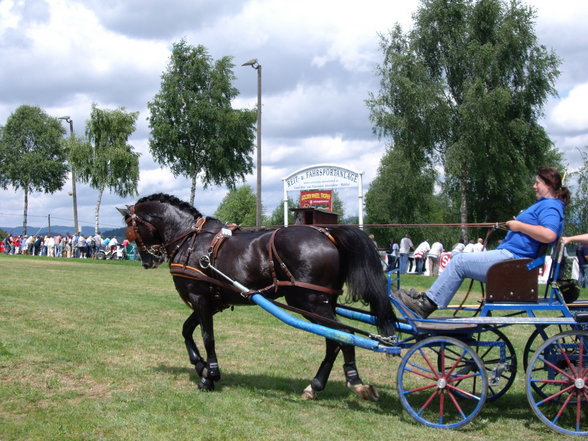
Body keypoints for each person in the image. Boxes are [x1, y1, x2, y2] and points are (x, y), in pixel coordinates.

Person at [392, 167, 570, 318]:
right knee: (459, 260)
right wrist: (519, 226)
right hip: (514, 260)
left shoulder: (550, 206)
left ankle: (426, 305)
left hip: (514, 261)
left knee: (459, 262)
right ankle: (427, 299)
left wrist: (519, 226)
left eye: (537, 183)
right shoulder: (548, 205)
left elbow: (549, 235)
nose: (534, 186)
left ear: (548, 185)